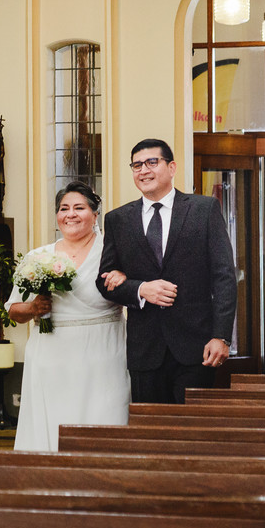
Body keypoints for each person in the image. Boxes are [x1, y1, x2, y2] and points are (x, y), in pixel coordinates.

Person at [97, 138, 237, 404]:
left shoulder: (204, 209)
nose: (143, 170)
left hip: (198, 347)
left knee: (192, 433)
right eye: (137, 165)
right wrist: (140, 289)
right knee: (150, 433)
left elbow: (224, 278)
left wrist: (221, 336)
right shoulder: (118, 219)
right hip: (145, 350)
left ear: (171, 168)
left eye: (152, 162)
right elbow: (104, 281)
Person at [5, 181, 129, 451]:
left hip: (102, 353)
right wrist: (34, 308)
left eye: (79, 207)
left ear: (95, 214)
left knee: (104, 416)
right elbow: (14, 310)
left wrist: (124, 277)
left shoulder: (113, 251)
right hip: (51, 355)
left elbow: (135, 289)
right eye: (63, 208)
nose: (70, 214)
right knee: (53, 421)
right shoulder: (38, 256)